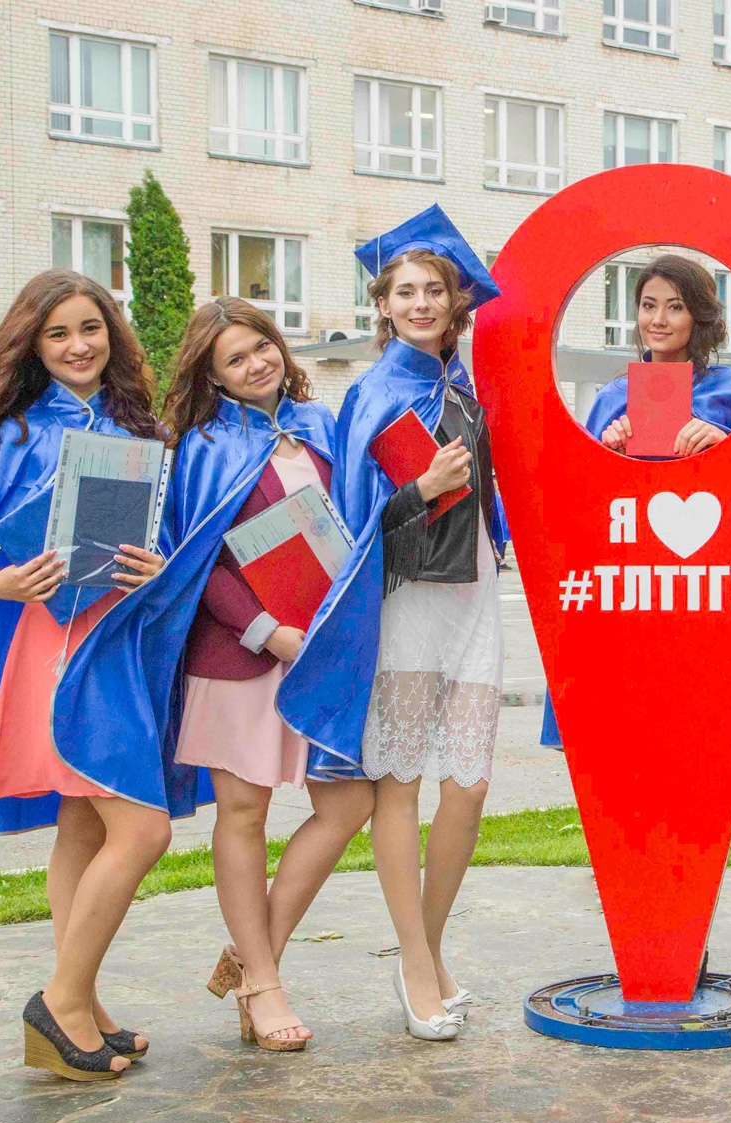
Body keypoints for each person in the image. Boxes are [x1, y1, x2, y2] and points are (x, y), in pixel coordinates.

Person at [0, 269, 198, 1083]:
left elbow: (164, 539)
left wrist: (156, 564)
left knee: (83, 826)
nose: (78, 345)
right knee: (144, 830)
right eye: (58, 333)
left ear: (111, 333)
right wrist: (1, 579)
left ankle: (83, 1002)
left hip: (115, 640)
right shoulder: (15, 434)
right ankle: (61, 999)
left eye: (91, 328)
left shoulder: (138, 428)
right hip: (54, 648)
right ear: (33, 344)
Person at [278, 206, 507, 1043]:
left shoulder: (465, 386)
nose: (420, 303)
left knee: (470, 783)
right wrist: (422, 488)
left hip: (474, 589)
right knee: (401, 780)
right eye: (404, 291)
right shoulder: (373, 392)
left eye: (433, 290)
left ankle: (429, 946)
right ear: (383, 305)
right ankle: (416, 964)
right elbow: (353, 521)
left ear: (454, 300)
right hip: (407, 596)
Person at [161, 298, 371, 1051]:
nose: (256, 364)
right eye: (235, 359)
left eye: (262, 347)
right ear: (212, 376)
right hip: (240, 653)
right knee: (244, 813)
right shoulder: (201, 447)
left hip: (323, 649)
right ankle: (266, 986)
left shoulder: (321, 427)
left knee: (348, 803)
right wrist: (267, 631)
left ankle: (253, 962)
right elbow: (196, 563)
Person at [585, 255, 731, 458]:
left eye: (675, 307)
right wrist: (608, 453)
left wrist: (724, 444)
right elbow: (581, 473)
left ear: (699, 316)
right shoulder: (611, 396)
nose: (658, 320)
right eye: (648, 306)